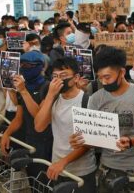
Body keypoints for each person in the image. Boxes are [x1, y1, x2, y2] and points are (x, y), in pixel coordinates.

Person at [70, 46, 134, 193]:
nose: (103, 82)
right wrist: (79, 140)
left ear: (122, 72)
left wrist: (130, 141)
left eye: (108, 77)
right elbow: (92, 137)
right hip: (106, 168)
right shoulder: (96, 99)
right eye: (100, 77)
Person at [34, 57, 96, 192]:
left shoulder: (87, 102)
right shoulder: (54, 99)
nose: (58, 80)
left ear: (75, 78)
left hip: (82, 171)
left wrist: (64, 162)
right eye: (55, 76)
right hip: (57, 168)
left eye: (63, 76)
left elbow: (89, 142)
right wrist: (50, 95)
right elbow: (39, 126)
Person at [0, 51, 53, 179]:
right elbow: (19, 117)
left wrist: (23, 91)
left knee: (42, 180)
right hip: (28, 140)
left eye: (29, 66)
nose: (24, 68)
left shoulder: (47, 87)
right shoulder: (23, 86)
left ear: (40, 67)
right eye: (22, 65)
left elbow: (39, 117)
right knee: (31, 178)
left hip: (45, 143)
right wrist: (6, 134)